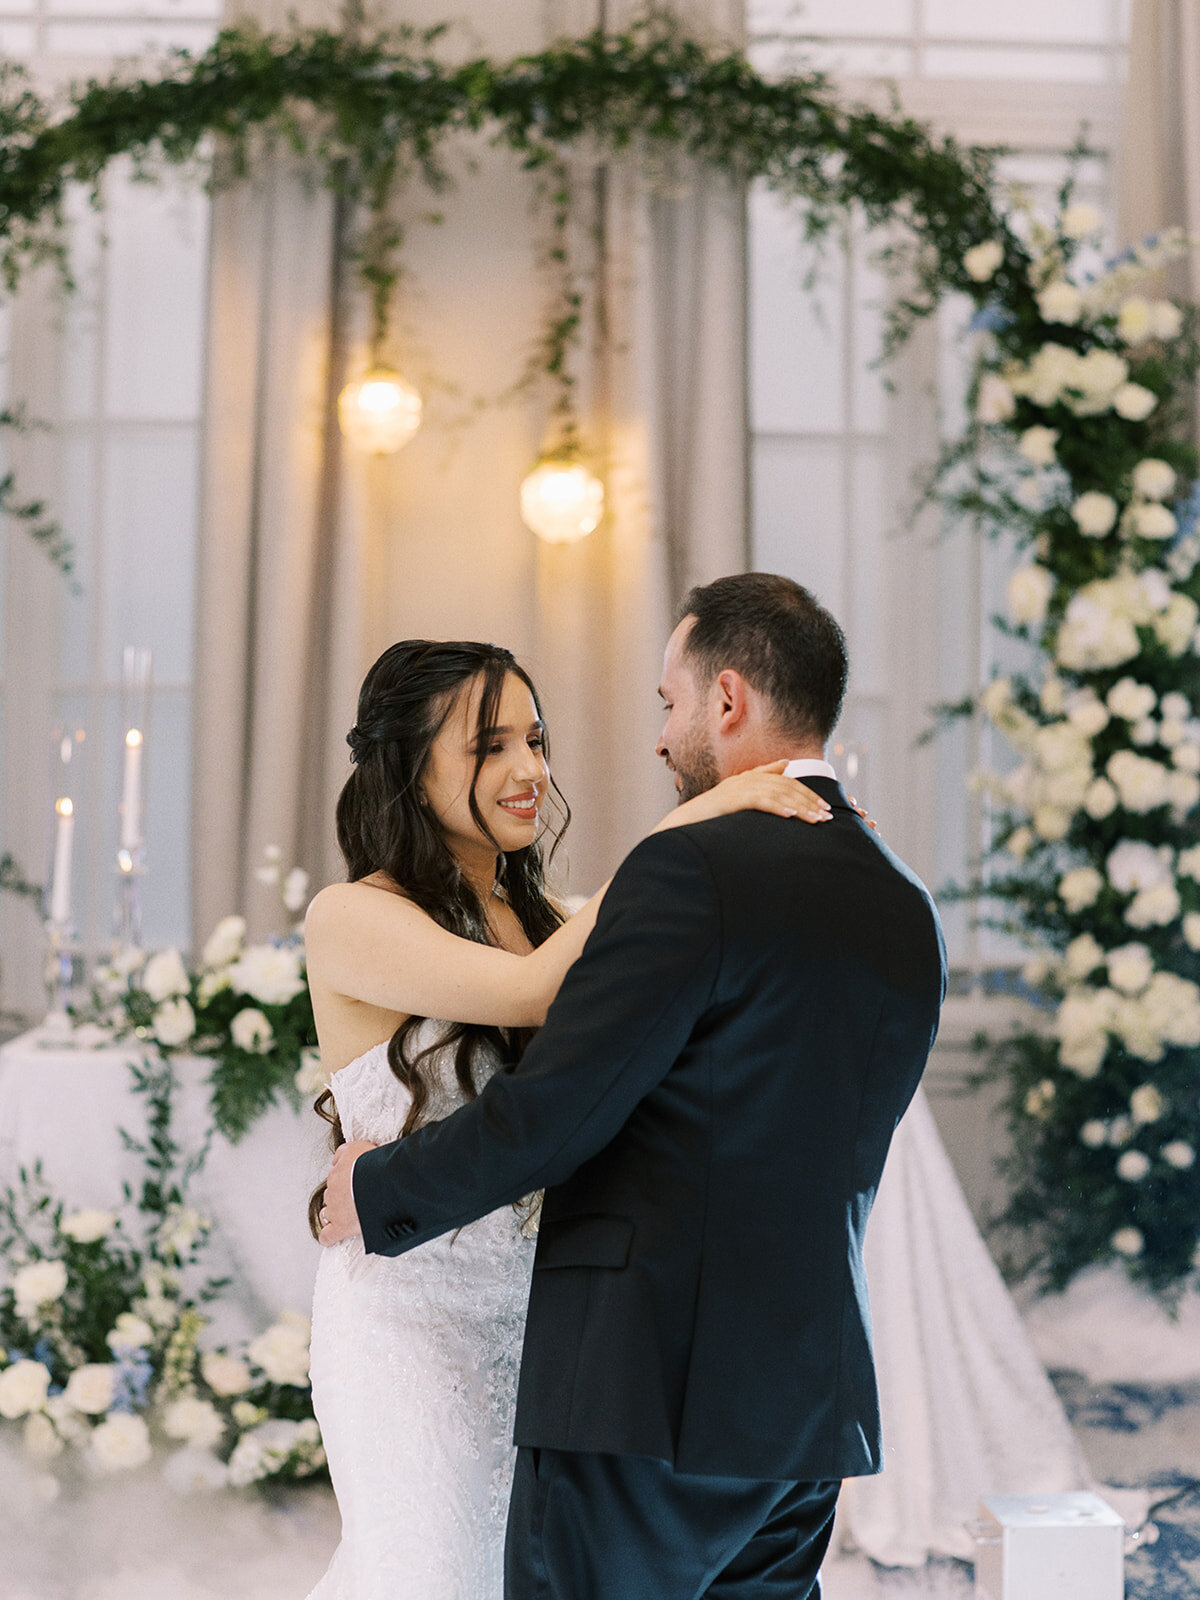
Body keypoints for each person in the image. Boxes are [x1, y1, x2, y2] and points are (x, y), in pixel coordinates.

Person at [320, 574, 948, 1600]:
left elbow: (557, 1112)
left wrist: (378, 1189)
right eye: (494, 743)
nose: (660, 738)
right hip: (806, 1400)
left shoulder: (690, 869)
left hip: (642, 1392)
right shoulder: (902, 896)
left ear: (728, 701)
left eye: (669, 703)